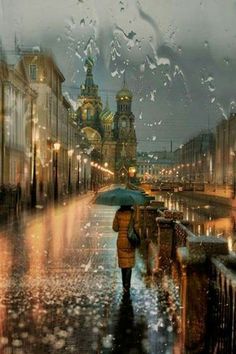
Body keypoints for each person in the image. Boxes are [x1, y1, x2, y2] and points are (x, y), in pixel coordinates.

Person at [112, 205, 138, 294]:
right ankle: (127, 285)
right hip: (130, 241)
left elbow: (115, 228)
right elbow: (137, 228)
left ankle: (124, 286)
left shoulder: (118, 213)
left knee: (123, 264)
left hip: (121, 241)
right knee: (129, 265)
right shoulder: (133, 213)